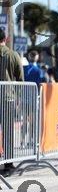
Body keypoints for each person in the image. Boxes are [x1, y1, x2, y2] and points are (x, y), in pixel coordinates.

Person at [0, 29, 24, 176]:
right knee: (8, 131)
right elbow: (20, 78)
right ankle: (8, 164)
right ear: (6, 38)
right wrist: (19, 97)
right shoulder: (13, 55)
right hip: (7, 98)